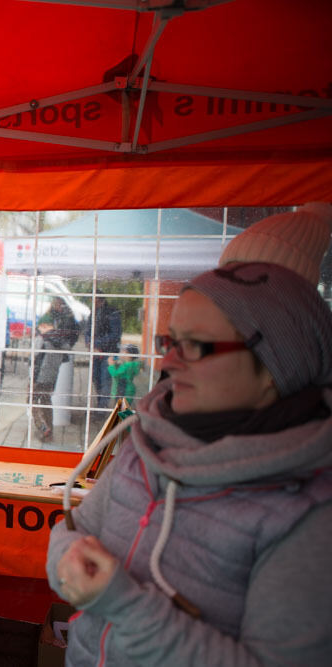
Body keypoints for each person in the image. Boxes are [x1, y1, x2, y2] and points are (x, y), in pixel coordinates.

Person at [47, 202, 332, 666]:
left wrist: (123, 605)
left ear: (279, 363)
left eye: (195, 346)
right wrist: (69, 565)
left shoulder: (309, 511)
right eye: (169, 341)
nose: (167, 363)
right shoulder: (148, 441)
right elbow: (72, 531)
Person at [32, 297, 80, 442]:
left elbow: (36, 357)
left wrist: (33, 376)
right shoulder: (63, 343)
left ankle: (43, 428)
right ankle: (49, 429)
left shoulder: (46, 341)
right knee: (46, 400)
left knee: (33, 399)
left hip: (41, 373)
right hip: (52, 372)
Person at [84, 293, 122, 408]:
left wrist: (95, 343)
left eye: (94, 299)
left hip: (108, 352)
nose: (92, 302)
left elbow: (116, 334)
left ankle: (102, 408)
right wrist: (88, 342)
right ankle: (100, 403)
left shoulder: (112, 312)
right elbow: (87, 330)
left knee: (105, 379)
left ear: (100, 299)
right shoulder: (93, 312)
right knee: (95, 377)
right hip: (95, 351)